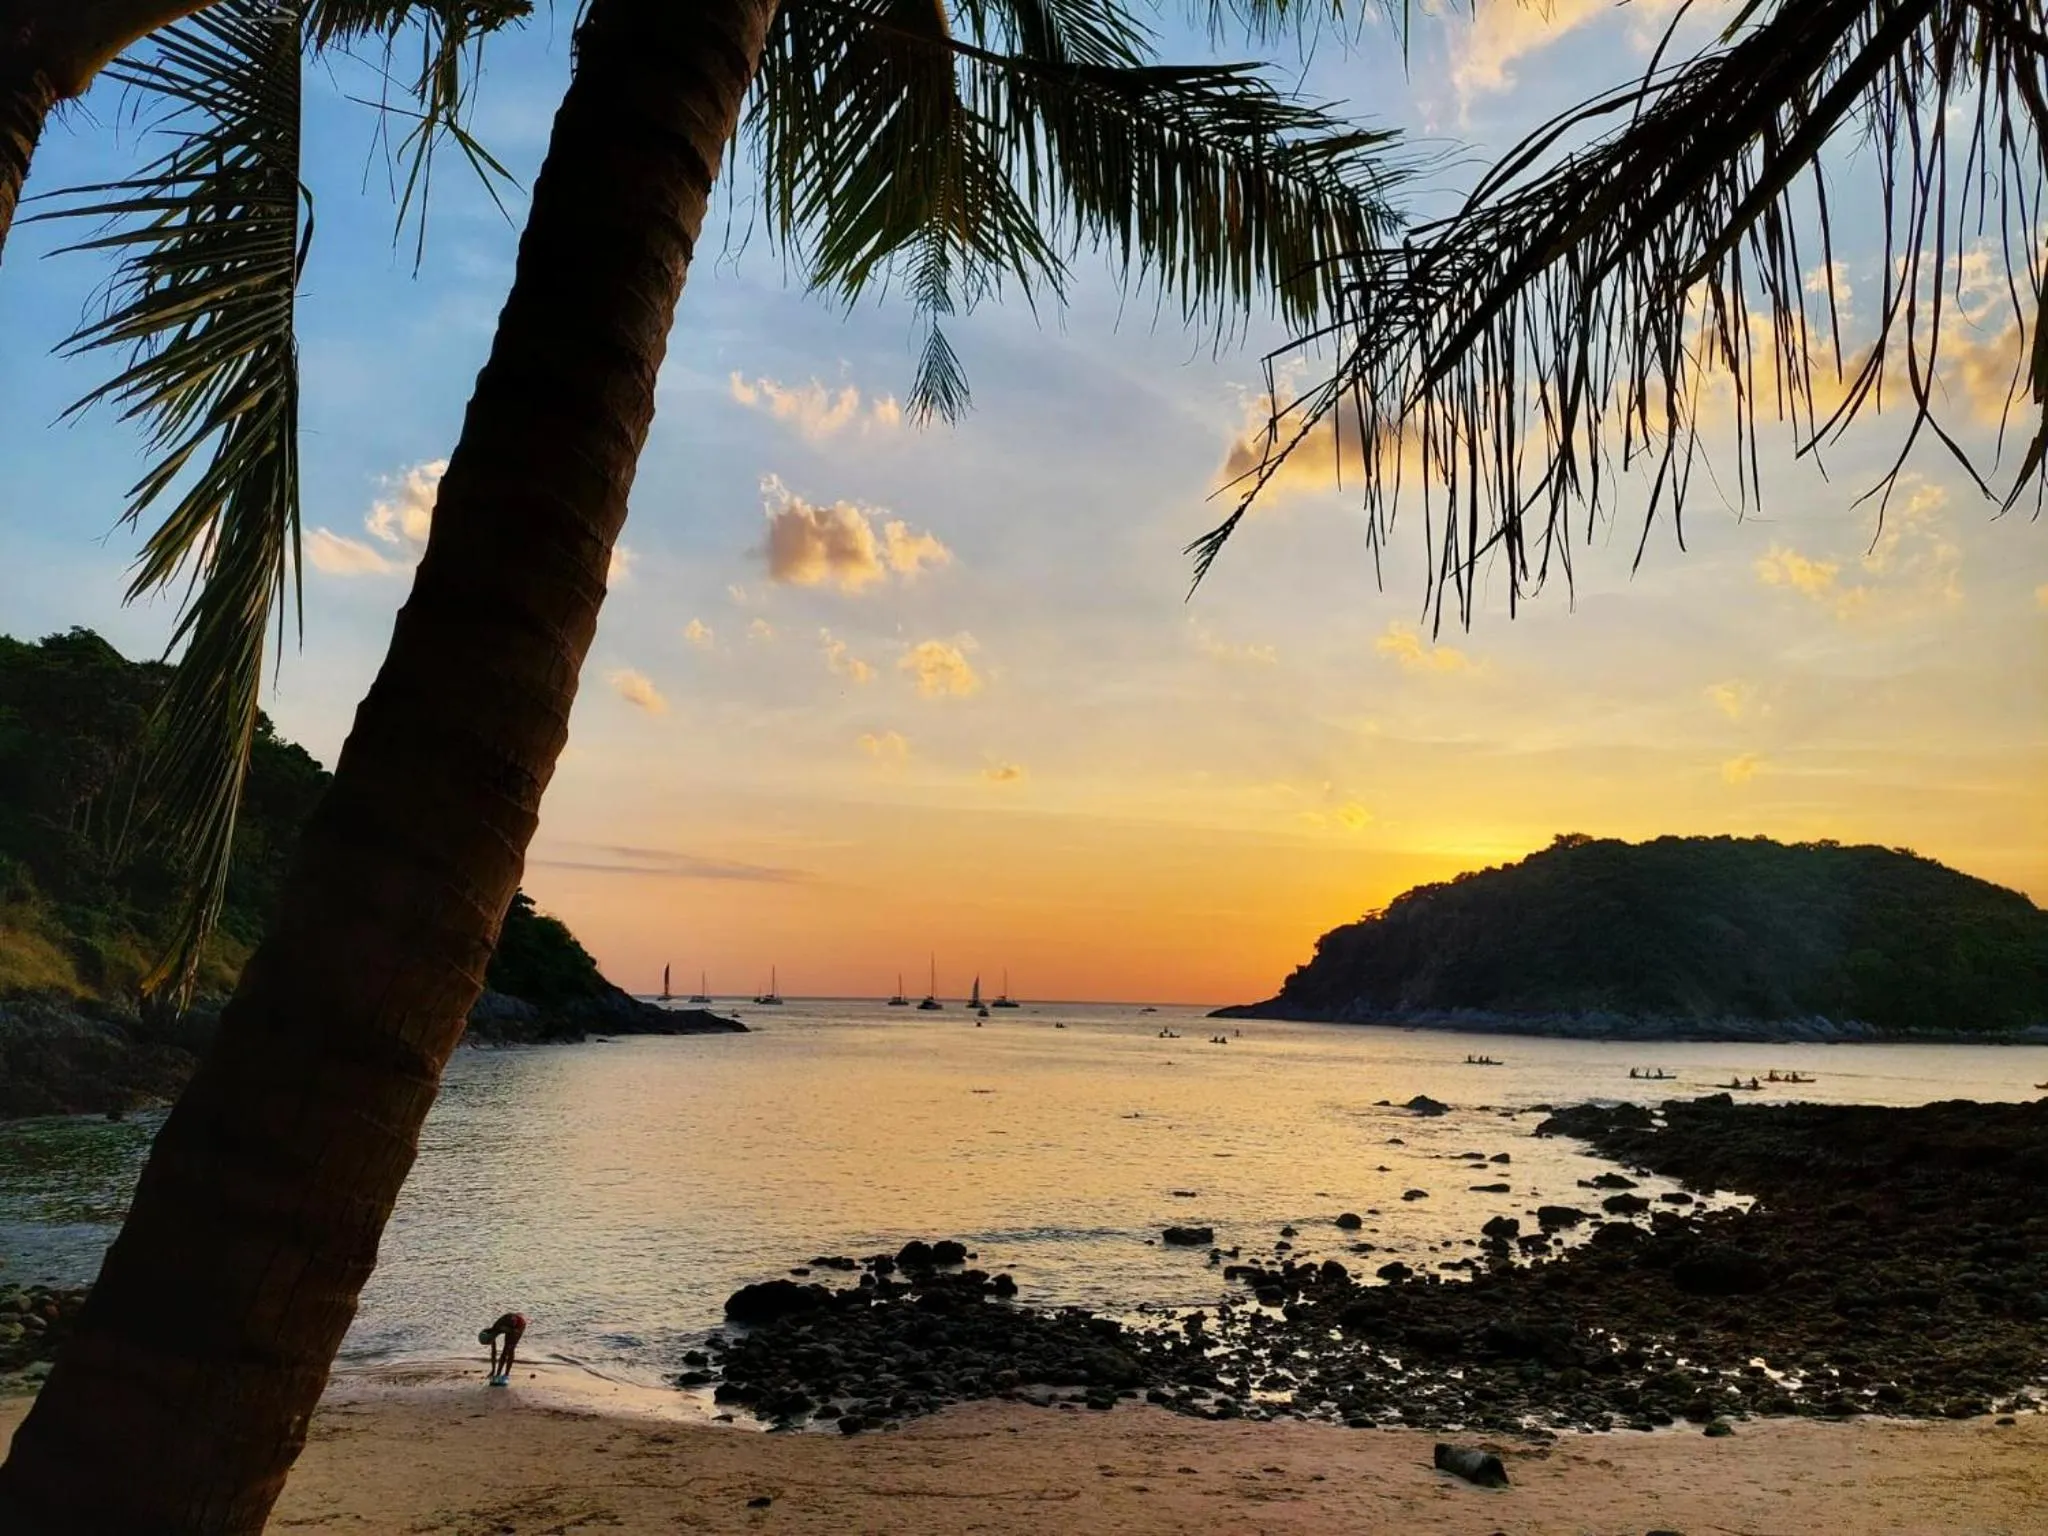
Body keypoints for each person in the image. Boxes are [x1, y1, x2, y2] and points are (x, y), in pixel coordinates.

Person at [480, 1311, 526, 1385]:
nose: (490, 1343)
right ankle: (497, 1374)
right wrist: (493, 1370)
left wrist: (497, 1374)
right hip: (509, 1324)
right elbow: (494, 1352)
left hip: (519, 1324)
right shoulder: (494, 1329)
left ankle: (506, 1375)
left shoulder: (499, 1327)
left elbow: (505, 1352)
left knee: (509, 1349)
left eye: (489, 1342)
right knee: (505, 1350)